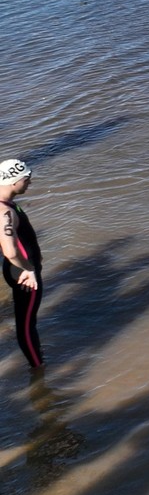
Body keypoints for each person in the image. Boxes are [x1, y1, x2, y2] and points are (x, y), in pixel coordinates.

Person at [1, 159, 44, 370]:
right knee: (27, 325)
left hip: (15, 269)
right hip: (24, 274)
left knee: (25, 320)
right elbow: (10, 250)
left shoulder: (5, 205)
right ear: (13, 181)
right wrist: (29, 269)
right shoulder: (5, 212)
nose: (29, 183)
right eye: (26, 179)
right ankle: (38, 369)